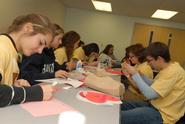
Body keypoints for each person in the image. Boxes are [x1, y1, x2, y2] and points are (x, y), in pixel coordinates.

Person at [121, 42, 185, 124]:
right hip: (154, 106)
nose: (147, 63)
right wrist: (141, 75)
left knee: (120, 116)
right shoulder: (168, 69)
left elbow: (150, 94)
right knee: (122, 104)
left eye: (149, 60)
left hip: (162, 115)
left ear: (159, 59)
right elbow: (154, 84)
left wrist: (135, 74)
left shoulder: (173, 72)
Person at [0, 13, 56, 107]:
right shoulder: (2, 47)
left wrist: (14, 86)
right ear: (27, 28)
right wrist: (34, 93)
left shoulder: (13, 53)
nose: (40, 51)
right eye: (41, 42)